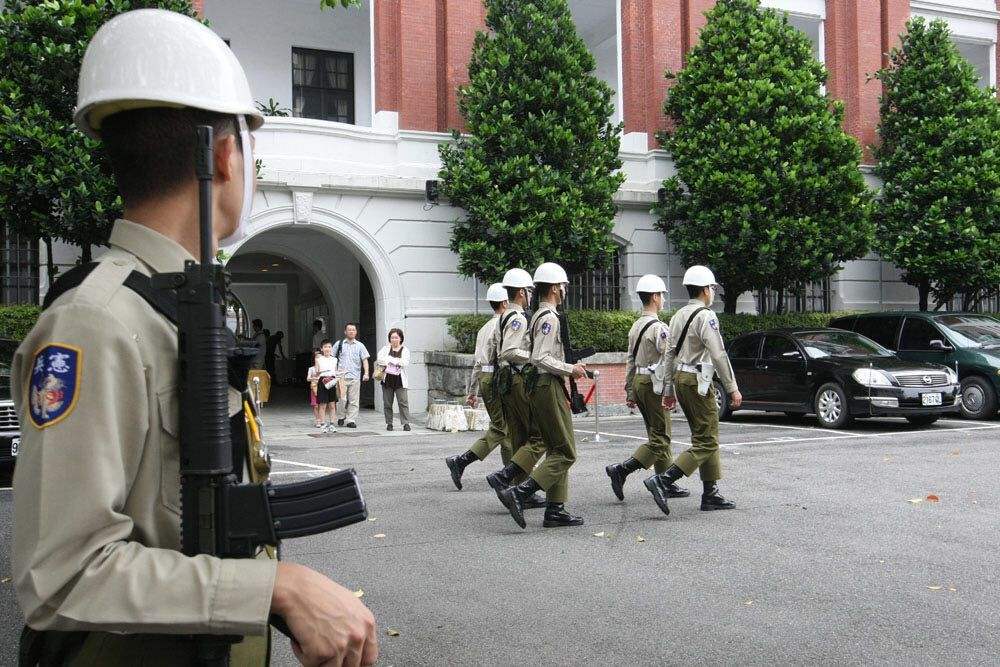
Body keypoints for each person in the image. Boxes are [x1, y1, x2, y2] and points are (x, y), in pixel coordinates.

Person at [10, 10, 377, 666]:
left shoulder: (175, 305)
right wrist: (275, 586)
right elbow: (61, 573)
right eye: (249, 139)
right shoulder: (96, 321)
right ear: (223, 153)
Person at [644, 265, 742, 515]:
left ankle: (711, 493)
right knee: (707, 439)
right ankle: (664, 480)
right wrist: (732, 387)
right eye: (712, 288)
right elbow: (718, 353)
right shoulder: (706, 316)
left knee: (704, 436)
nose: (713, 293)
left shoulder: (677, 316)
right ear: (706, 289)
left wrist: (667, 388)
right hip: (698, 380)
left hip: (680, 378)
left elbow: (669, 354)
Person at [498, 262, 588, 529]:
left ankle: (555, 508)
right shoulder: (548, 318)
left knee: (555, 449)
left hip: (543, 385)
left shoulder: (538, 315)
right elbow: (540, 357)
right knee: (567, 452)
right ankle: (521, 491)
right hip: (548, 384)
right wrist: (570, 369)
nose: (565, 291)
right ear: (555, 288)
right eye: (564, 286)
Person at [605, 275, 690, 502]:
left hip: (640, 383)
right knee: (661, 437)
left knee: (656, 433)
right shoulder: (659, 328)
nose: (663, 299)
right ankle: (622, 470)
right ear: (654, 297)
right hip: (654, 384)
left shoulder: (636, 326)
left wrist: (630, 391)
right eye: (661, 295)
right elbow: (670, 356)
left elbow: (630, 360)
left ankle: (665, 482)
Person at [483, 269, 546, 509]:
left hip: (504, 379)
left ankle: (521, 490)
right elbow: (509, 351)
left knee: (519, 437)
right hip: (517, 378)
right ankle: (508, 478)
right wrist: (532, 356)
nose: (531, 295)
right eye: (529, 291)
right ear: (521, 292)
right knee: (536, 435)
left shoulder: (502, 318)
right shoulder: (518, 318)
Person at [445, 283, 511, 489]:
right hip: (498, 379)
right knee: (502, 429)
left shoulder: (483, 329)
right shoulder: (505, 324)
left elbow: (477, 363)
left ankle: (511, 475)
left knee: (506, 431)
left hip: (485, 378)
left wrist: (472, 391)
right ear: (505, 302)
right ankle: (462, 461)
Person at [334, 323, 370, 429]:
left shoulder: (360, 345)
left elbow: (365, 360)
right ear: (345, 332)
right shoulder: (339, 344)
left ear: (356, 332)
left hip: (355, 376)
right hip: (341, 377)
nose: (351, 332)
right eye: (349, 330)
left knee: (354, 400)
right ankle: (341, 416)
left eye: (353, 330)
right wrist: (333, 373)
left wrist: (366, 373)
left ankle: (351, 420)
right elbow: (332, 358)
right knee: (342, 399)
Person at [376, 328, 412, 431]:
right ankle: (389, 423)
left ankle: (406, 423)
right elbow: (380, 360)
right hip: (387, 379)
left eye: (396, 337)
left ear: (400, 338)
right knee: (387, 403)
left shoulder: (405, 350)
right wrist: (395, 361)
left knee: (403, 402)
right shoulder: (385, 349)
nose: (394, 339)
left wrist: (390, 360)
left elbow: (404, 362)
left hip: (400, 380)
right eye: (392, 337)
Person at [315, 340, 340, 434]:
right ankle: (323, 424)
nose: (327, 349)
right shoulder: (319, 359)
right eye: (325, 347)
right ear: (322, 349)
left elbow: (336, 371)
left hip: (332, 381)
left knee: (332, 404)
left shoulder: (335, 359)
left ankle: (332, 424)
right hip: (322, 380)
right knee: (322, 404)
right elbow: (317, 372)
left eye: (329, 347)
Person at [306, 348, 323, 428]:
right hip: (314, 388)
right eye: (317, 357)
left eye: (320, 357)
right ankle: (318, 420)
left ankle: (322, 419)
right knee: (315, 405)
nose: (318, 359)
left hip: (322, 388)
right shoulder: (311, 369)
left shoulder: (324, 369)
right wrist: (314, 378)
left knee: (322, 405)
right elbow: (308, 378)